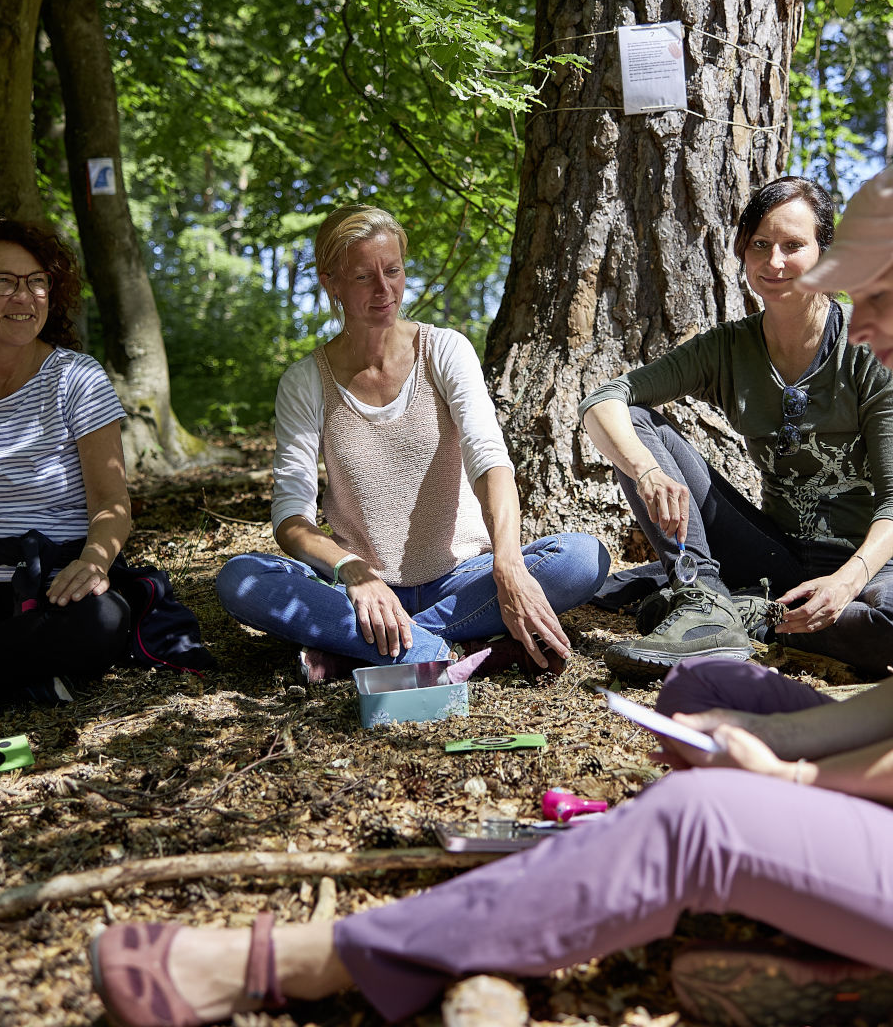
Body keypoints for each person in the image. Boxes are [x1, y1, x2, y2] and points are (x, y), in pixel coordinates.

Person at [91, 155, 893, 1027]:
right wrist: (765, 743)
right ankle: (866, 951)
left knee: (702, 820)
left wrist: (799, 788)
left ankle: (306, 962)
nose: (861, 319)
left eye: (881, 294)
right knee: (718, 694)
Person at [215, 205, 608, 682]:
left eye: (393, 270)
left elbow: (490, 461)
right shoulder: (305, 381)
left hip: (464, 579)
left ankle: (365, 649)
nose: (385, 290)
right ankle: (450, 648)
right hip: (362, 588)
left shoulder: (444, 350)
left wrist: (507, 564)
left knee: (583, 559)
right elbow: (290, 517)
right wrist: (352, 571)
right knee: (241, 579)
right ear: (331, 283)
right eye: (363, 277)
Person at [580, 176, 893, 682]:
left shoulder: (876, 348)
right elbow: (604, 400)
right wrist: (647, 472)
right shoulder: (727, 349)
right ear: (742, 253)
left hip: (876, 564)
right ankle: (701, 597)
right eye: (760, 246)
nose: (775, 262)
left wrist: (845, 583)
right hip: (779, 551)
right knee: (632, 425)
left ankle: (750, 614)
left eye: (794, 246)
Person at [0, 218, 131, 708]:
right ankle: (2, 672)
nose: (24, 295)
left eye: (37, 281)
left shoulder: (77, 378)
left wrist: (94, 561)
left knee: (101, 621)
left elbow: (111, 500)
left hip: (57, 584)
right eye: (4, 281)